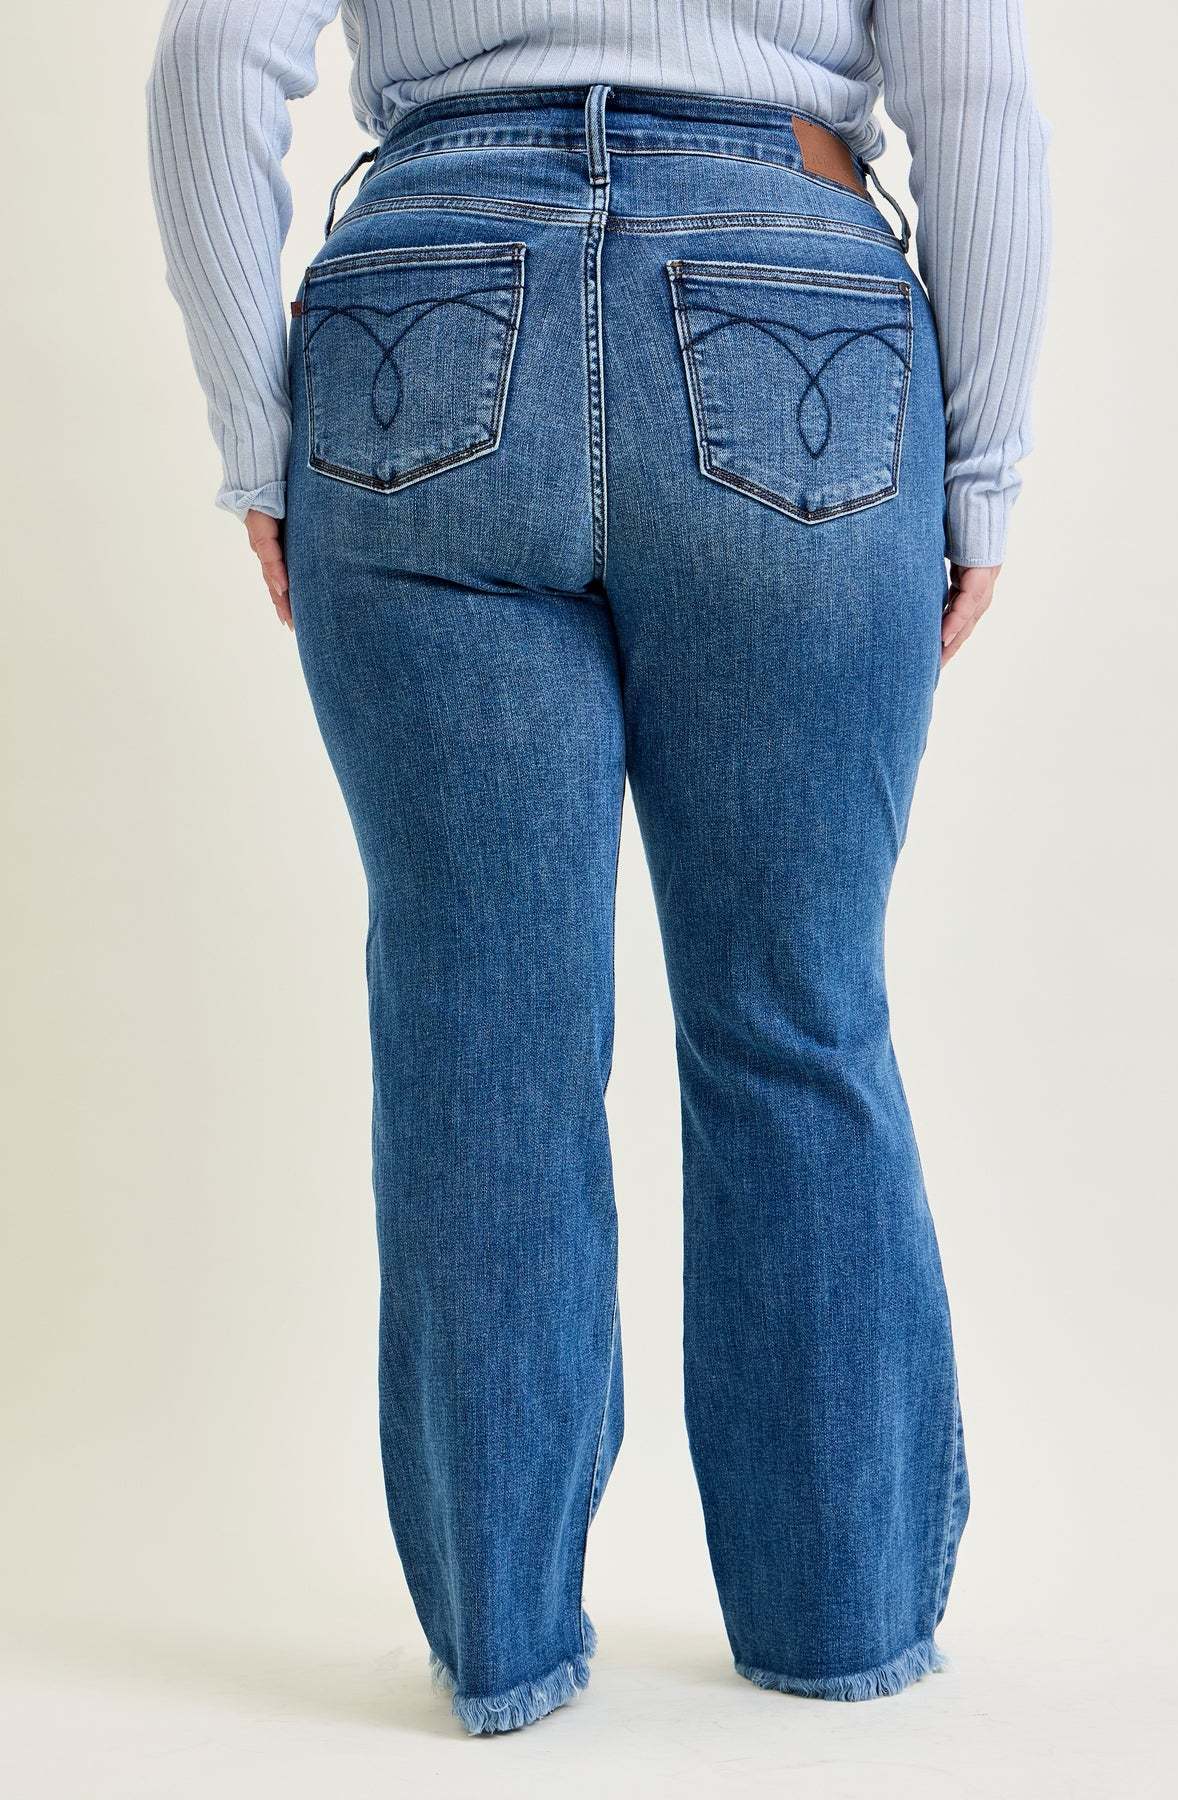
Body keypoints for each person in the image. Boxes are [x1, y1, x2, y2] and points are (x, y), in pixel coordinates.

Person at [147, 1, 1050, 1739]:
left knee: (478, 1034)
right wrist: (982, 466)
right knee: (794, 1016)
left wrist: (256, 441)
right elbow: (976, 93)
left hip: (423, 303)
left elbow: (207, 62)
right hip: (791, 301)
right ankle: (840, 1622)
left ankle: (503, 1647)